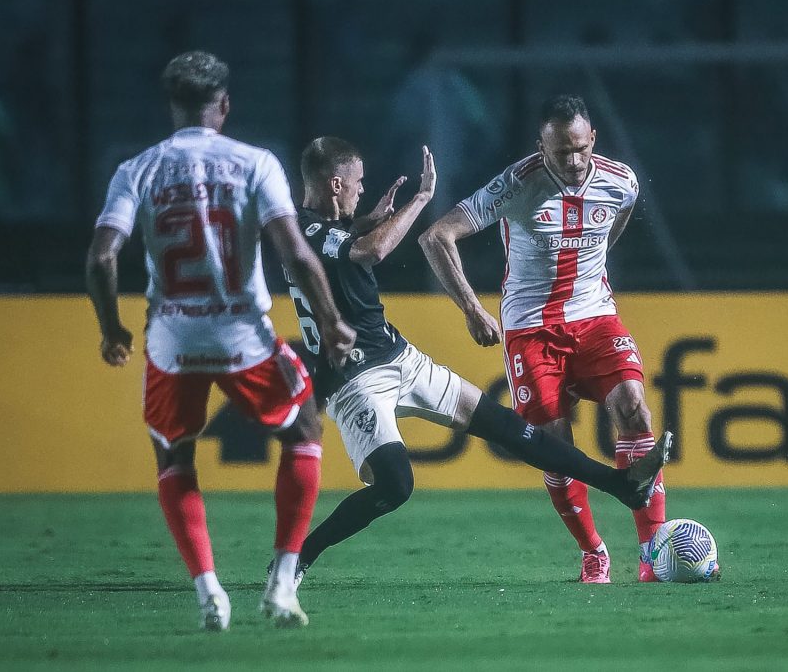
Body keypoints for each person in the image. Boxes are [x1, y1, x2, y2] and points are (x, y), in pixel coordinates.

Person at [278, 136, 669, 586]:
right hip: (355, 379)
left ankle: (622, 485)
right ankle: (298, 556)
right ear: (334, 184)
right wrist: (420, 199)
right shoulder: (300, 229)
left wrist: (369, 219)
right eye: (357, 183)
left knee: (509, 428)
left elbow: (345, 242)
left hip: (399, 357)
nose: (361, 190)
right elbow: (370, 252)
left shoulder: (323, 229)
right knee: (395, 486)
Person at [85, 51, 355, 631]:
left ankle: (209, 591)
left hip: (172, 342)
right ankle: (282, 584)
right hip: (242, 335)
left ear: (172, 107)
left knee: (174, 454)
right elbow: (297, 254)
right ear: (224, 105)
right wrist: (332, 320)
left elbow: (102, 257)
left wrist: (111, 328)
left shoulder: (138, 168)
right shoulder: (254, 162)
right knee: (304, 427)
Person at [419, 94, 665, 583]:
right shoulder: (518, 182)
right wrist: (472, 308)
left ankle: (653, 555)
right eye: (560, 153)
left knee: (635, 406)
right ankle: (594, 551)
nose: (572, 162)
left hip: (594, 315)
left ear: (593, 139)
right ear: (542, 147)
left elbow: (612, 227)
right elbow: (436, 236)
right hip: (531, 327)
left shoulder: (622, 182)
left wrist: (589, 276)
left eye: (579, 149)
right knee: (552, 441)